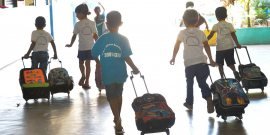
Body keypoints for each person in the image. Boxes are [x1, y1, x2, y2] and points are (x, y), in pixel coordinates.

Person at [92, 11, 139, 134]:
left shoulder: (102, 39)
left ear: (106, 24)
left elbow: (93, 53)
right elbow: (126, 57)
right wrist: (134, 68)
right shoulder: (124, 39)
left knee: (111, 96)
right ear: (121, 23)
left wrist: (98, 62)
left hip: (108, 73)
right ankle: (117, 117)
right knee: (118, 94)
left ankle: (117, 119)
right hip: (120, 72)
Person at [170, 9, 217, 113]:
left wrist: (173, 57)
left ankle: (190, 103)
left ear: (183, 21)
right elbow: (206, 46)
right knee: (202, 82)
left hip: (189, 63)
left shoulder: (182, 33)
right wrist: (211, 60)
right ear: (197, 22)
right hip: (202, 62)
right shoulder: (201, 33)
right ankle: (209, 99)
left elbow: (177, 46)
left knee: (189, 83)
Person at [65, 4, 100, 89]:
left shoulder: (78, 24)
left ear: (81, 13)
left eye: (77, 14)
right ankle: (87, 82)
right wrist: (98, 45)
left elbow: (74, 36)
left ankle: (83, 75)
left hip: (82, 47)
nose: (76, 16)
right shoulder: (92, 23)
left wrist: (70, 44)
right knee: (88, 64)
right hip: (91, 47)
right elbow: (95, 36)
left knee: (81, 63)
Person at [207, 7, 241, 81]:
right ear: (226, 16)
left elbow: (211, 35)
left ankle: (222, 78)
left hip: (220, 48)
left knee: (220, 64)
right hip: (230, 46)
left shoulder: (216, 25)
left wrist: (205, 41)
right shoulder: (229, 25)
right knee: (230, 62)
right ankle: (235, 72)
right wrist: (237, 44)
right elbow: (233, 35)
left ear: (217, 17)